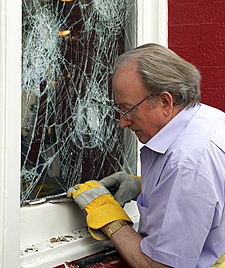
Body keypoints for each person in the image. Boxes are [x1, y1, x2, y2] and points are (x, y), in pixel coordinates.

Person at [68, 43, 225, 268]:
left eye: (128, 109)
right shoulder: (208, 118)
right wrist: (146, 186)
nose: (123, 122)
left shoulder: (186, 166)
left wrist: (111, 220)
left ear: (164, 102)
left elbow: (160, 266)